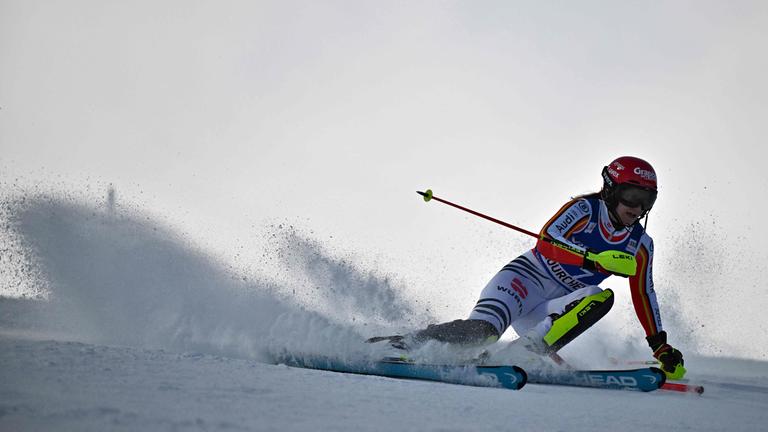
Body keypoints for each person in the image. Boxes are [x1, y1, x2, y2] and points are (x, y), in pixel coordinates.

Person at [370, 156, 686, 380]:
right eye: (632, 196)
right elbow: (547, 242)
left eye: (647, 200)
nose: (638, 208)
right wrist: (592, 258)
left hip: (551, 306)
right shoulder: (585, 209)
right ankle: (397, 344)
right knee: (482, 332)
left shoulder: (641, 244)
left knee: (600, 297)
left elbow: (644, 293)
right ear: (612, 190)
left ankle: (523, 351)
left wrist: (660, 346)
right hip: (523, 281)